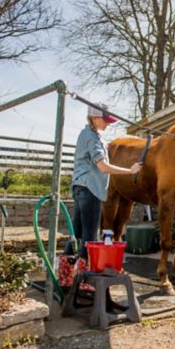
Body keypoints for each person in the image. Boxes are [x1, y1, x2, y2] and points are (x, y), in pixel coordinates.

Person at [58, 103, 142, 287]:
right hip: (90, 190)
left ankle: (65, 277)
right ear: (95, 118)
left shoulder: (89, 135)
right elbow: (103, 167)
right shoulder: (91, 137)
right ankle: (85, 280)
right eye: (106, 120)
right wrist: (130, 171)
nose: (108, 124)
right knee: (90, 236)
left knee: (77, 233)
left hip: (81, 188)